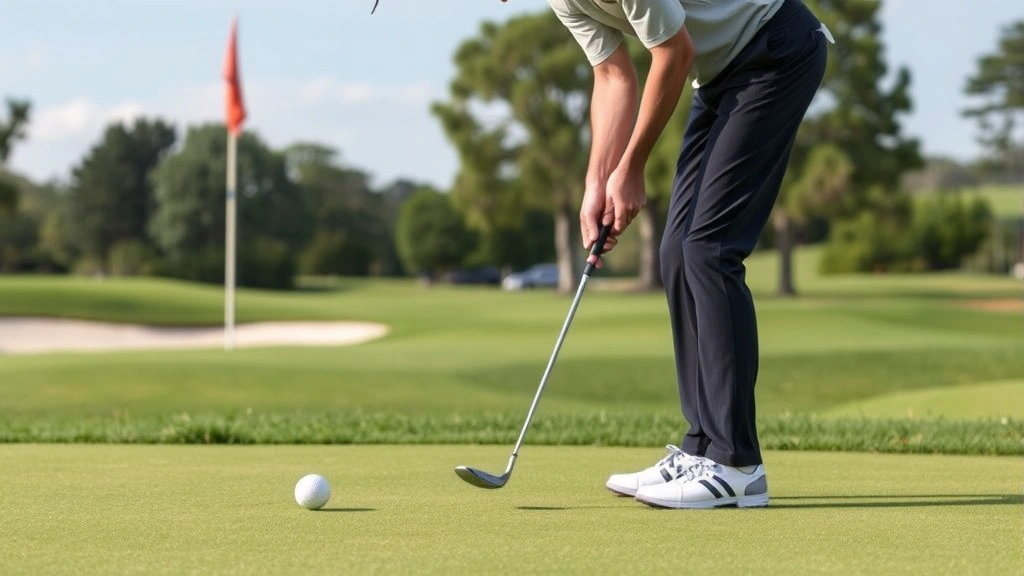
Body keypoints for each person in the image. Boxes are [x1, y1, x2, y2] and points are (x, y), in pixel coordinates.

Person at [546, 0, 832, 509]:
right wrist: (596, 180)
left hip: (775, 49)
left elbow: (673, 53)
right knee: (678, 252)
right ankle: (703, 447)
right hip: (721, 75)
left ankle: (737, 464)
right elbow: (613, 76)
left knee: (710, 249)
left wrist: (630, 168)